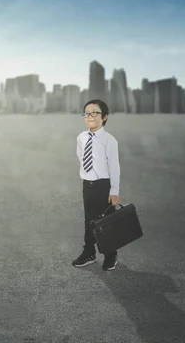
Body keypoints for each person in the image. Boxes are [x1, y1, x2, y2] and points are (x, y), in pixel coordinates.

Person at [72, 99, 120, 271]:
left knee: (106, 221)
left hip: (103, 186)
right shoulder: (81, 137)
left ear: (104, 117)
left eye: (95, 113)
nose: (90, 116)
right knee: (89, 221)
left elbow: (114, 167)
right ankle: (89, 251)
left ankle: (110, 254)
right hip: (88, 185)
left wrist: (114, 190)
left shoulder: (109, 140)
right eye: (86, 113)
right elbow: (81, 155)